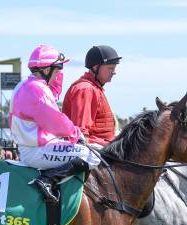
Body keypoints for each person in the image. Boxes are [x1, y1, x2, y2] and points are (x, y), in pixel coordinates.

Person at [9, 44, 100, 203]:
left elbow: (53, 98)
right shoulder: (38, 90)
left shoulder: (25, 85)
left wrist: (57, 70)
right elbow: (55, 121)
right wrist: (75, 134)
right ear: (45, 70)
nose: (58, 75)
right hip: (37, 150)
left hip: (32, 147)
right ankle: (48, 180)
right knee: (92, 155)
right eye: (57, 71)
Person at [62, 45, 121, 147]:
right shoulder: (86, 89)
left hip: (103, 147)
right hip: (95, 150)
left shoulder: (94, 88)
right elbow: (81, 135)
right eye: (110, 68)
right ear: (95, 67)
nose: (114, 72)